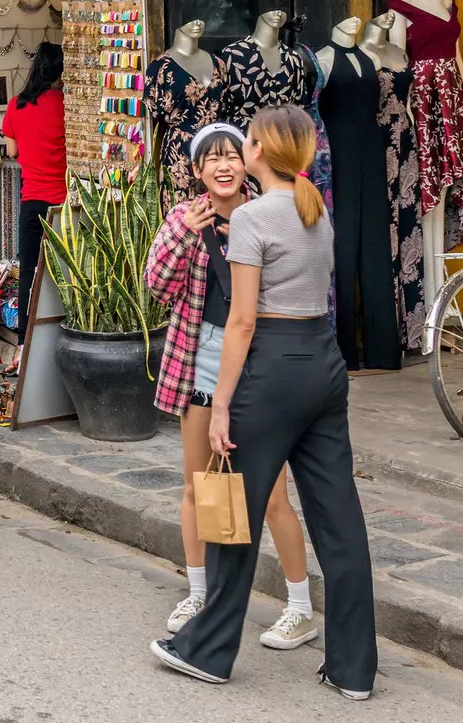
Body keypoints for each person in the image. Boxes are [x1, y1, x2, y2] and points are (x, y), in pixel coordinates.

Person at [154, 105, 377, 699]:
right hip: (324, 362)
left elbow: (244, 322)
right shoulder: (315, 208)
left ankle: (206, 650)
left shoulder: (253, 216)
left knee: (233, 509)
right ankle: (354, 669)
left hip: (274, 367)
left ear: (262, 151)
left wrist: (223, 403)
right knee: (341, 520)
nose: (238, 151)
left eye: (246, 142)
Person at [144, 122, 318, 647]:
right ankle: (200, 594)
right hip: (201, 357)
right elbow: (158, 287)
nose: (223, 166)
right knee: (201, 486)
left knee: (271, 495)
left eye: (231, 156)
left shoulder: (265, 213)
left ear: (247, 163)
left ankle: (300, 607)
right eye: (211, 159)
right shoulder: (183, 217)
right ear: (197, 171)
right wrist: (185, 234)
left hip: (258, 358)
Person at [0, 42, 67, 373]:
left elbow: (12, 151)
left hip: (32, 201)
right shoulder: (66, 105)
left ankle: (23, 346)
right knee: (66, 273)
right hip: (63, 203)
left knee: (28, 272)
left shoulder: (17, 105)